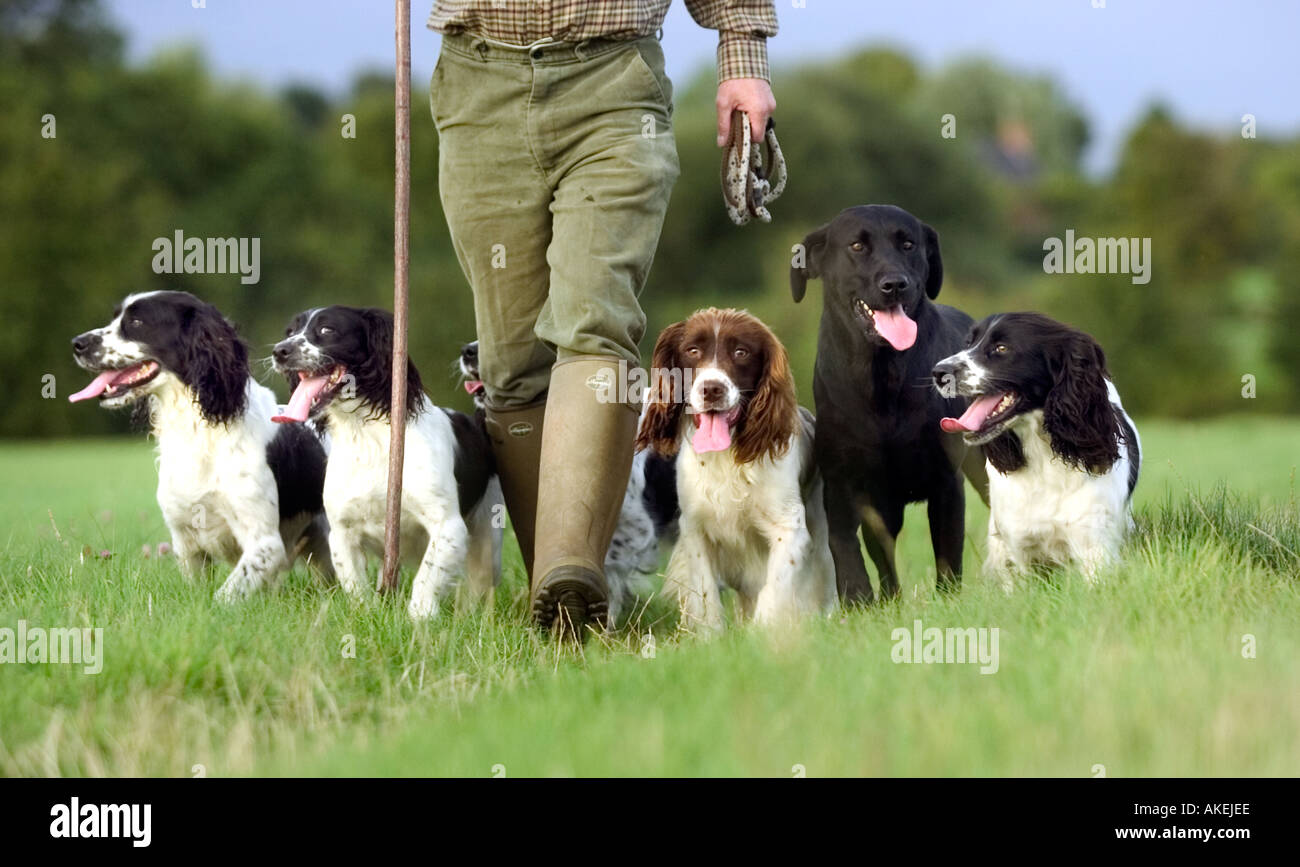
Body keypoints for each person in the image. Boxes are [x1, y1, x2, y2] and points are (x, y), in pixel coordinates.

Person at [427, 0, 778, 636]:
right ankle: (560, 609)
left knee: (595, 321)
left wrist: (742, 55)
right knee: (511, 361)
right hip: (477, 86)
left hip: (614, 84)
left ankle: (572, 567)